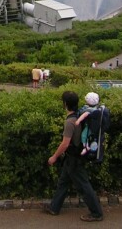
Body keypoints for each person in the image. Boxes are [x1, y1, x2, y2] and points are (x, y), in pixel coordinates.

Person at [44, 91, 104, 222]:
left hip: (74, 158)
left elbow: (65, 144)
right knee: (63, 182)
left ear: (65, 104)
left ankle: (96, 213)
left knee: (83, 185)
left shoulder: (70, 122)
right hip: (74, 157)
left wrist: (54, 157)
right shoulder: (79, 114)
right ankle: (54, 207)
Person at [75, 92, 100, 157]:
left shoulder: (89, 110)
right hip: (94, 127)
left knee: (84, 136)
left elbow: (84, 115)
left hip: (89, 126)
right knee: (89, 137)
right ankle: (88, 146)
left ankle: (85, 147)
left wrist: (78, 120)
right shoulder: (96, 108)